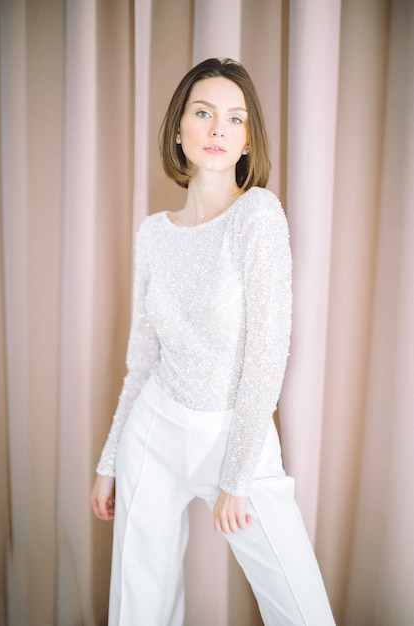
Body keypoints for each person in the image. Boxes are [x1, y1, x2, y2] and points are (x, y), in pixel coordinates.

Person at [90, 57, 335, 626]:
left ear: (248, 139)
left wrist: (236, 477)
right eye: (204, 113)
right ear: (180, 129)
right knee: (138, 607)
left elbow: (268, 354)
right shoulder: (153, 233)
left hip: (233, 435)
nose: (219, 129)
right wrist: (109, 461)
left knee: (302, 610)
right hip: (153, 431)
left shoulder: (258, 216)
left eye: (235, 118)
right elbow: (141, 358)